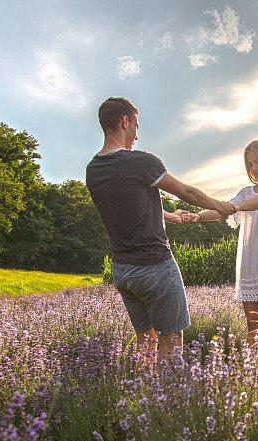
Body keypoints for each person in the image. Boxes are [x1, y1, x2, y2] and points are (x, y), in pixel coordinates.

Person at [85, 97, 235, 356]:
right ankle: (166, 394)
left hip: (122, 270)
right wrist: (219, 206)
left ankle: (144, 392)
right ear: (125, 121)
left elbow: (129, 204)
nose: (136, 133)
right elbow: (186, 192)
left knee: (146, 338)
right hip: (154, 265)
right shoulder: (140, 161)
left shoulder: (93, 169)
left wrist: (171, 217)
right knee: (172, 338)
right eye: (135, 125)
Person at [187, 139, 258, 348]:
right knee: (253, 325)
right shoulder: (247, 192)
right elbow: (223, 209)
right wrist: (197, 216)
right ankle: (252, 371)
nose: (255, 168)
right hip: (251, 262)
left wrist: (235, 207)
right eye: (250, 164)